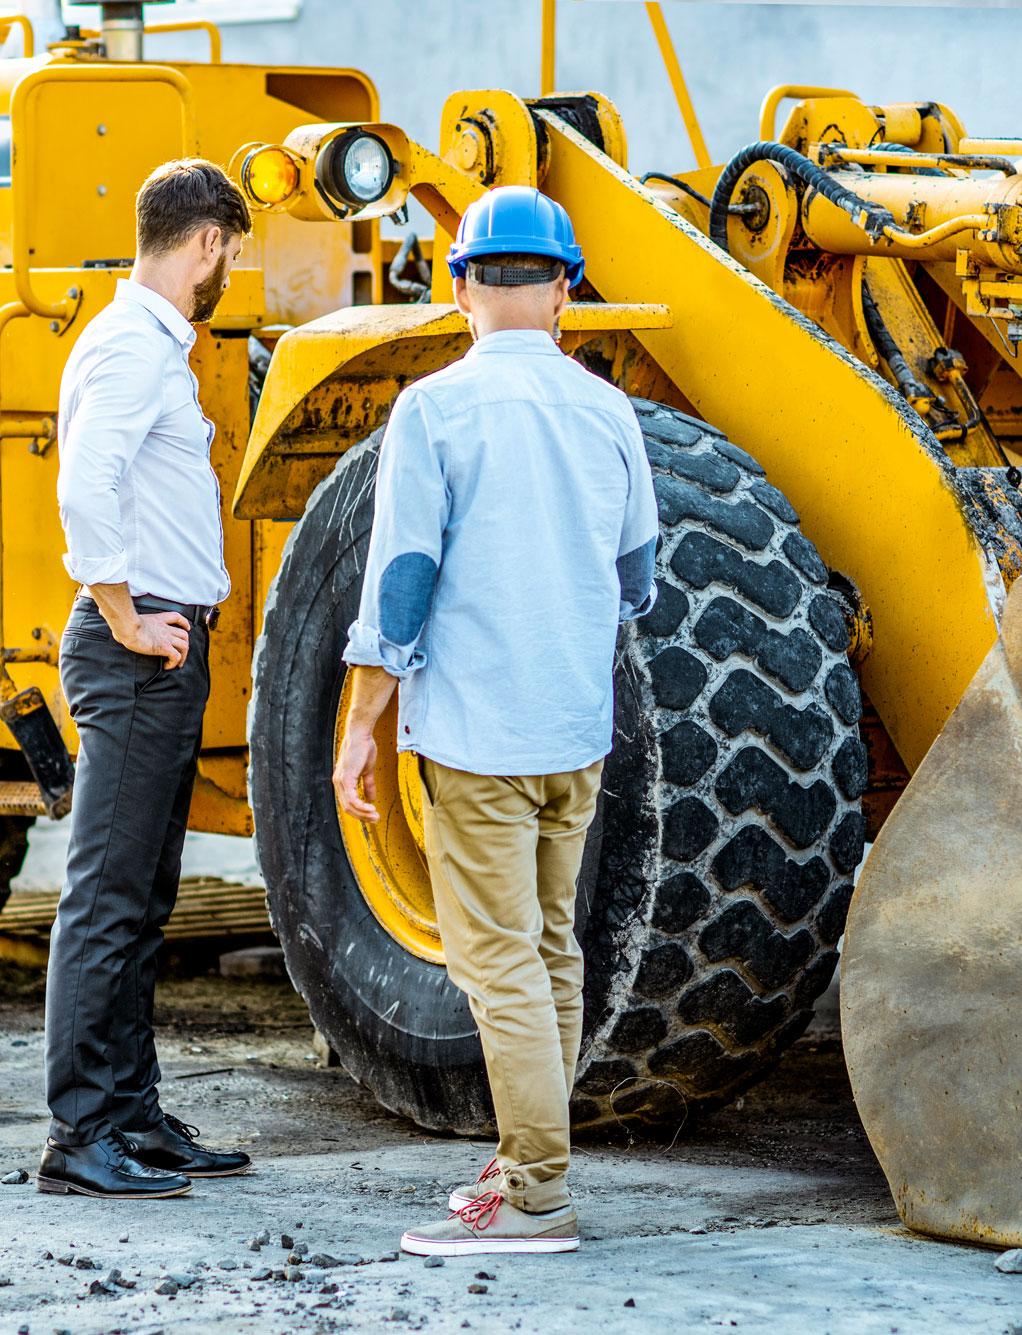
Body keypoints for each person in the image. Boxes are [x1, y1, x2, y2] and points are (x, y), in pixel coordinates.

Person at [332, 186, 659, 1254]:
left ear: (459, 285)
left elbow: (403, 580)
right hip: (575, 728)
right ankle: (530, 1159)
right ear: (565, 290)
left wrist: (360, 726)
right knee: (548, 954)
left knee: (497, 966)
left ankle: (535, 1200)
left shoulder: (434, 409)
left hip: (475, 735)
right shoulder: (607, 412)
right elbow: (637, 578)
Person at [39, 158, 254, 1200]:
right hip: (134, 648)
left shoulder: (149, 346)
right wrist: (123, 611)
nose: (227, 273)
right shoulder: (133, 346)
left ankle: (130, 1113)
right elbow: (85, 482)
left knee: (144, 896)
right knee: (106, 899)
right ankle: (79, 1134)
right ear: (205, 241)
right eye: (230, 253)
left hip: (161, 644)